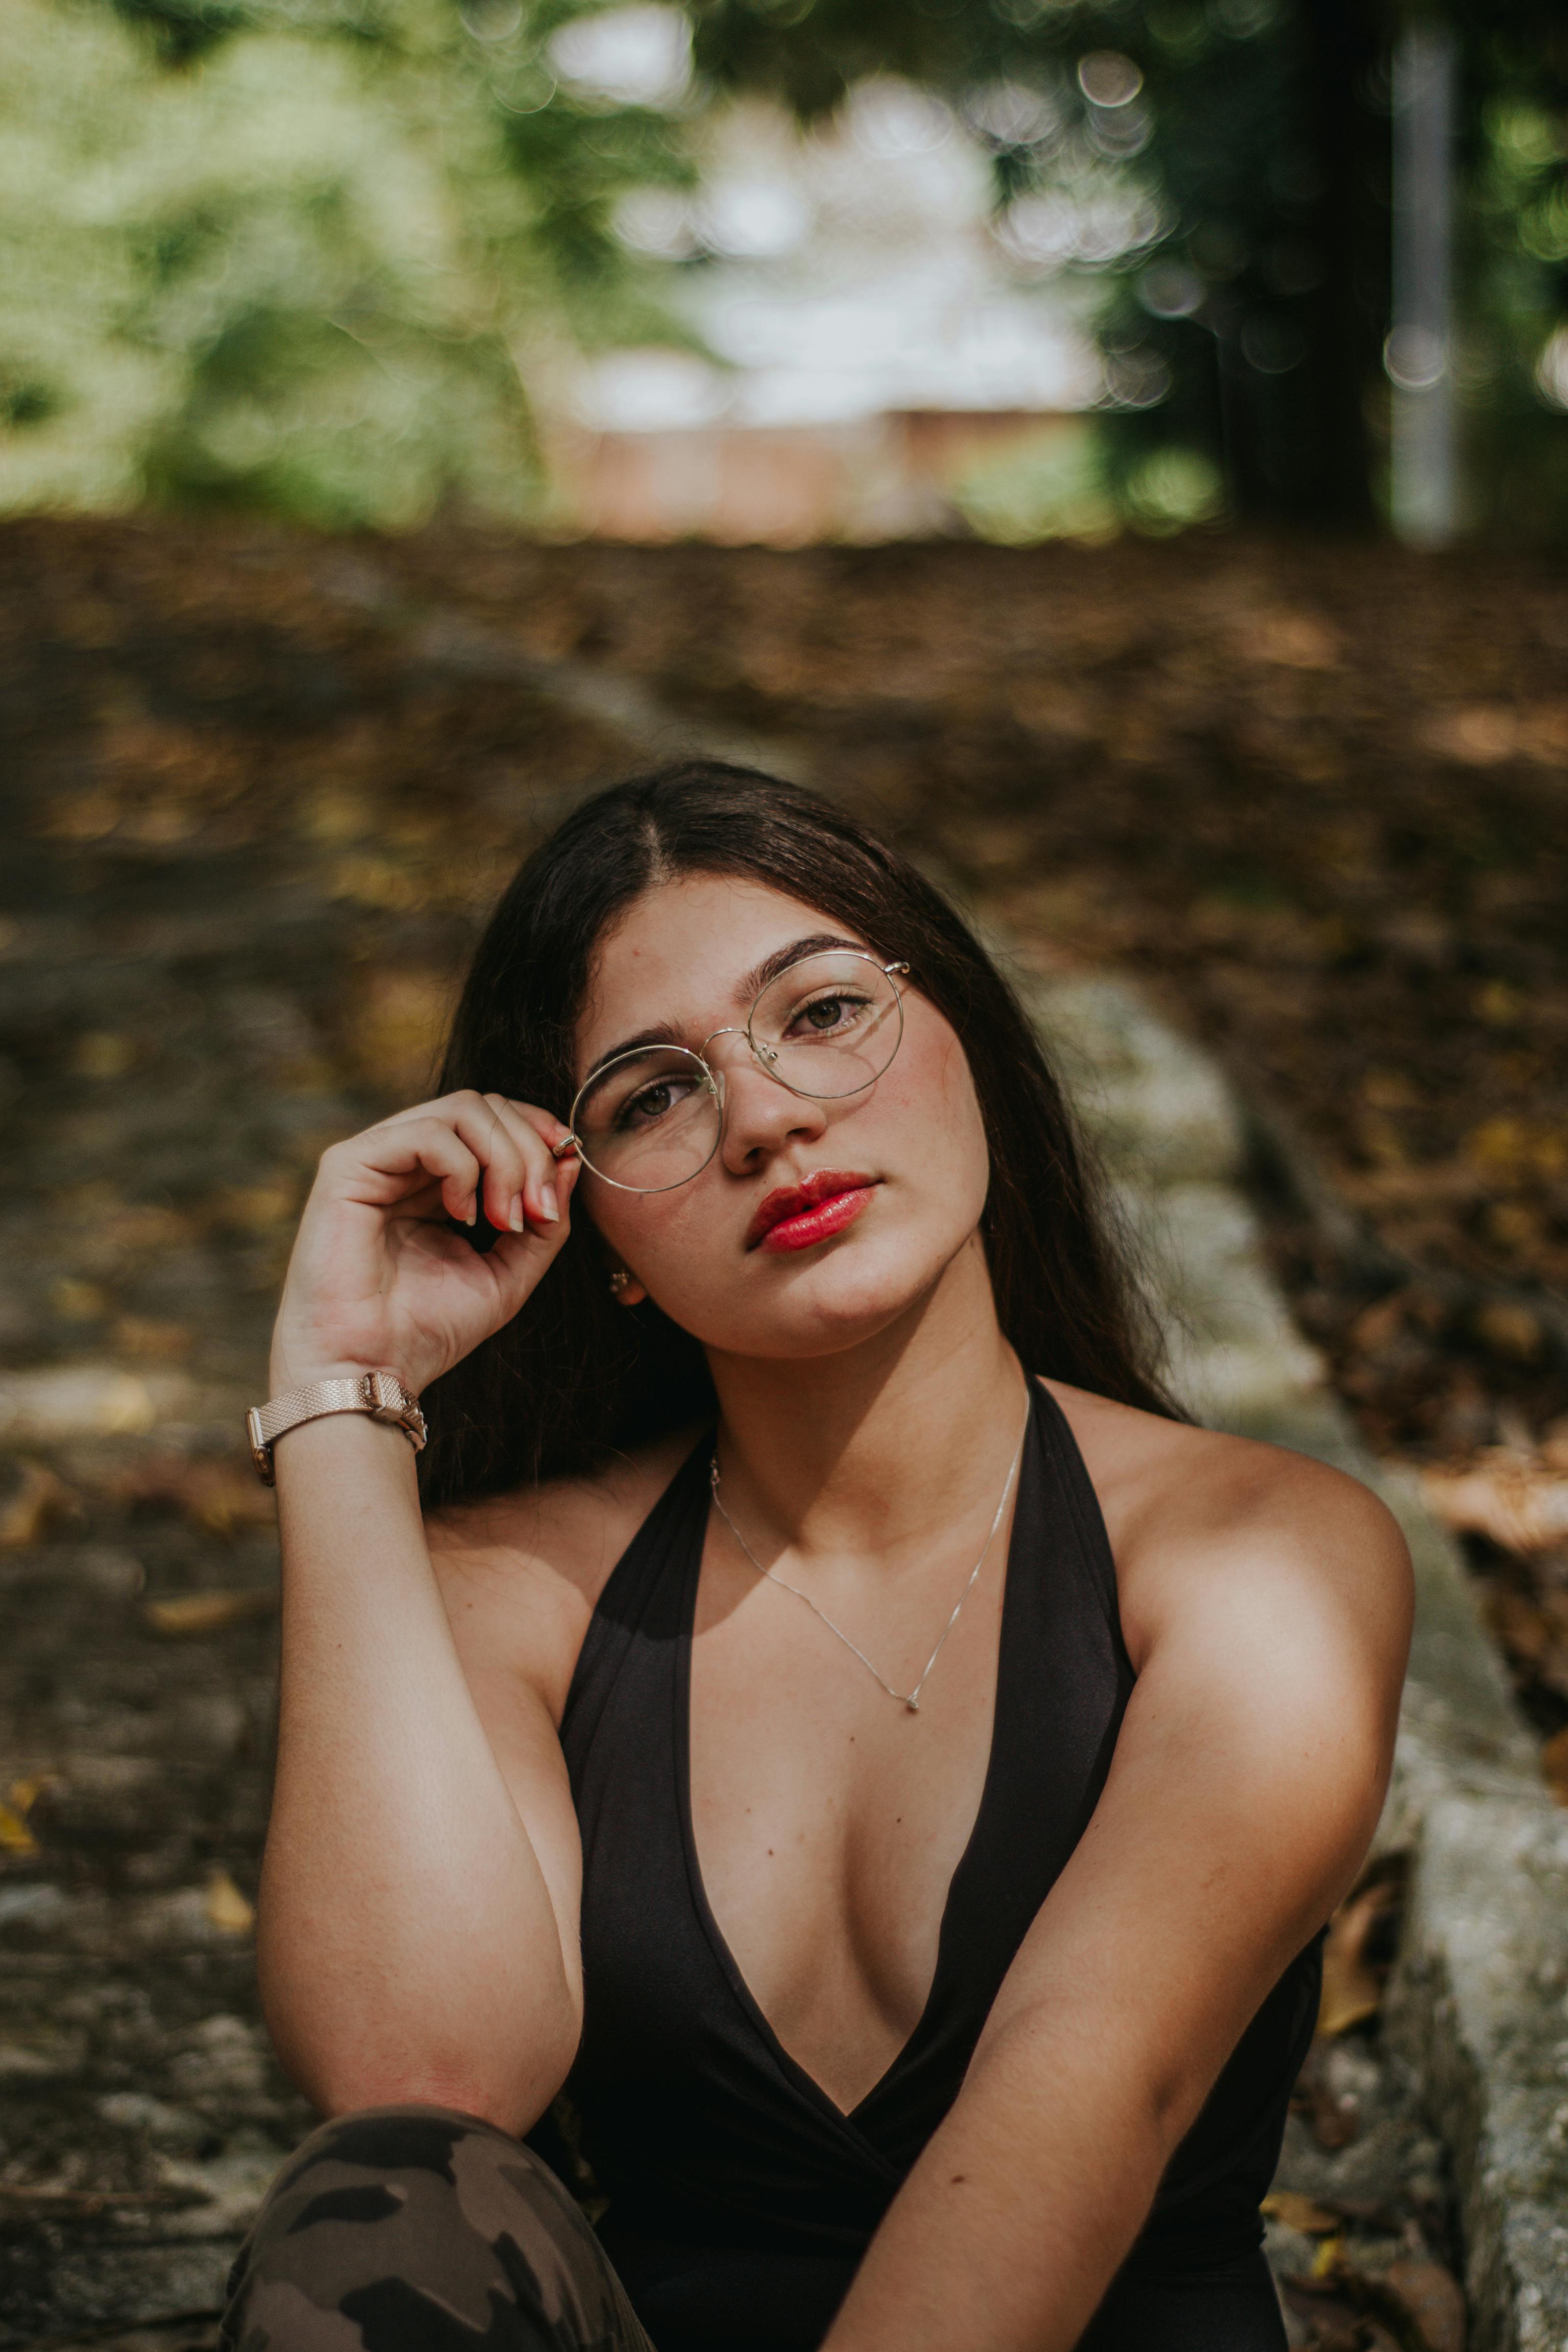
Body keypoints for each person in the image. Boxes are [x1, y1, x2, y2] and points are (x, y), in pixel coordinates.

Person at [226, 761, 1412, 2352]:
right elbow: (420, 2091)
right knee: (381, 2202)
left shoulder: (1261, 1557)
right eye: (653, 1096)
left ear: (965, 1035)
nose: (769, 1118)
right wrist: (341, 1398)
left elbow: (1094, 2099)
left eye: (825, 1013)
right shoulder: (523, 1592)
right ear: (594, 1235)